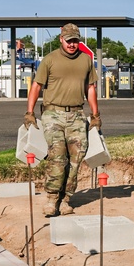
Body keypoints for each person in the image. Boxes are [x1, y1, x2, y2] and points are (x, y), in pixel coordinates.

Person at [23, 23, 101, 217]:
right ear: (61, 39)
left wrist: (95, 115)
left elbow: (90, 88)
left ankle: (66, 199)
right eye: (69, 41)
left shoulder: (86, 60)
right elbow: (36, 86)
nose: (72, 44)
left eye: (75, 41)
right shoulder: (50, 60)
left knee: (76, 158)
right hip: (53, 114)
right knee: (57, 156)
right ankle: (52, 199)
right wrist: (29, 112)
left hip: (77, 115)